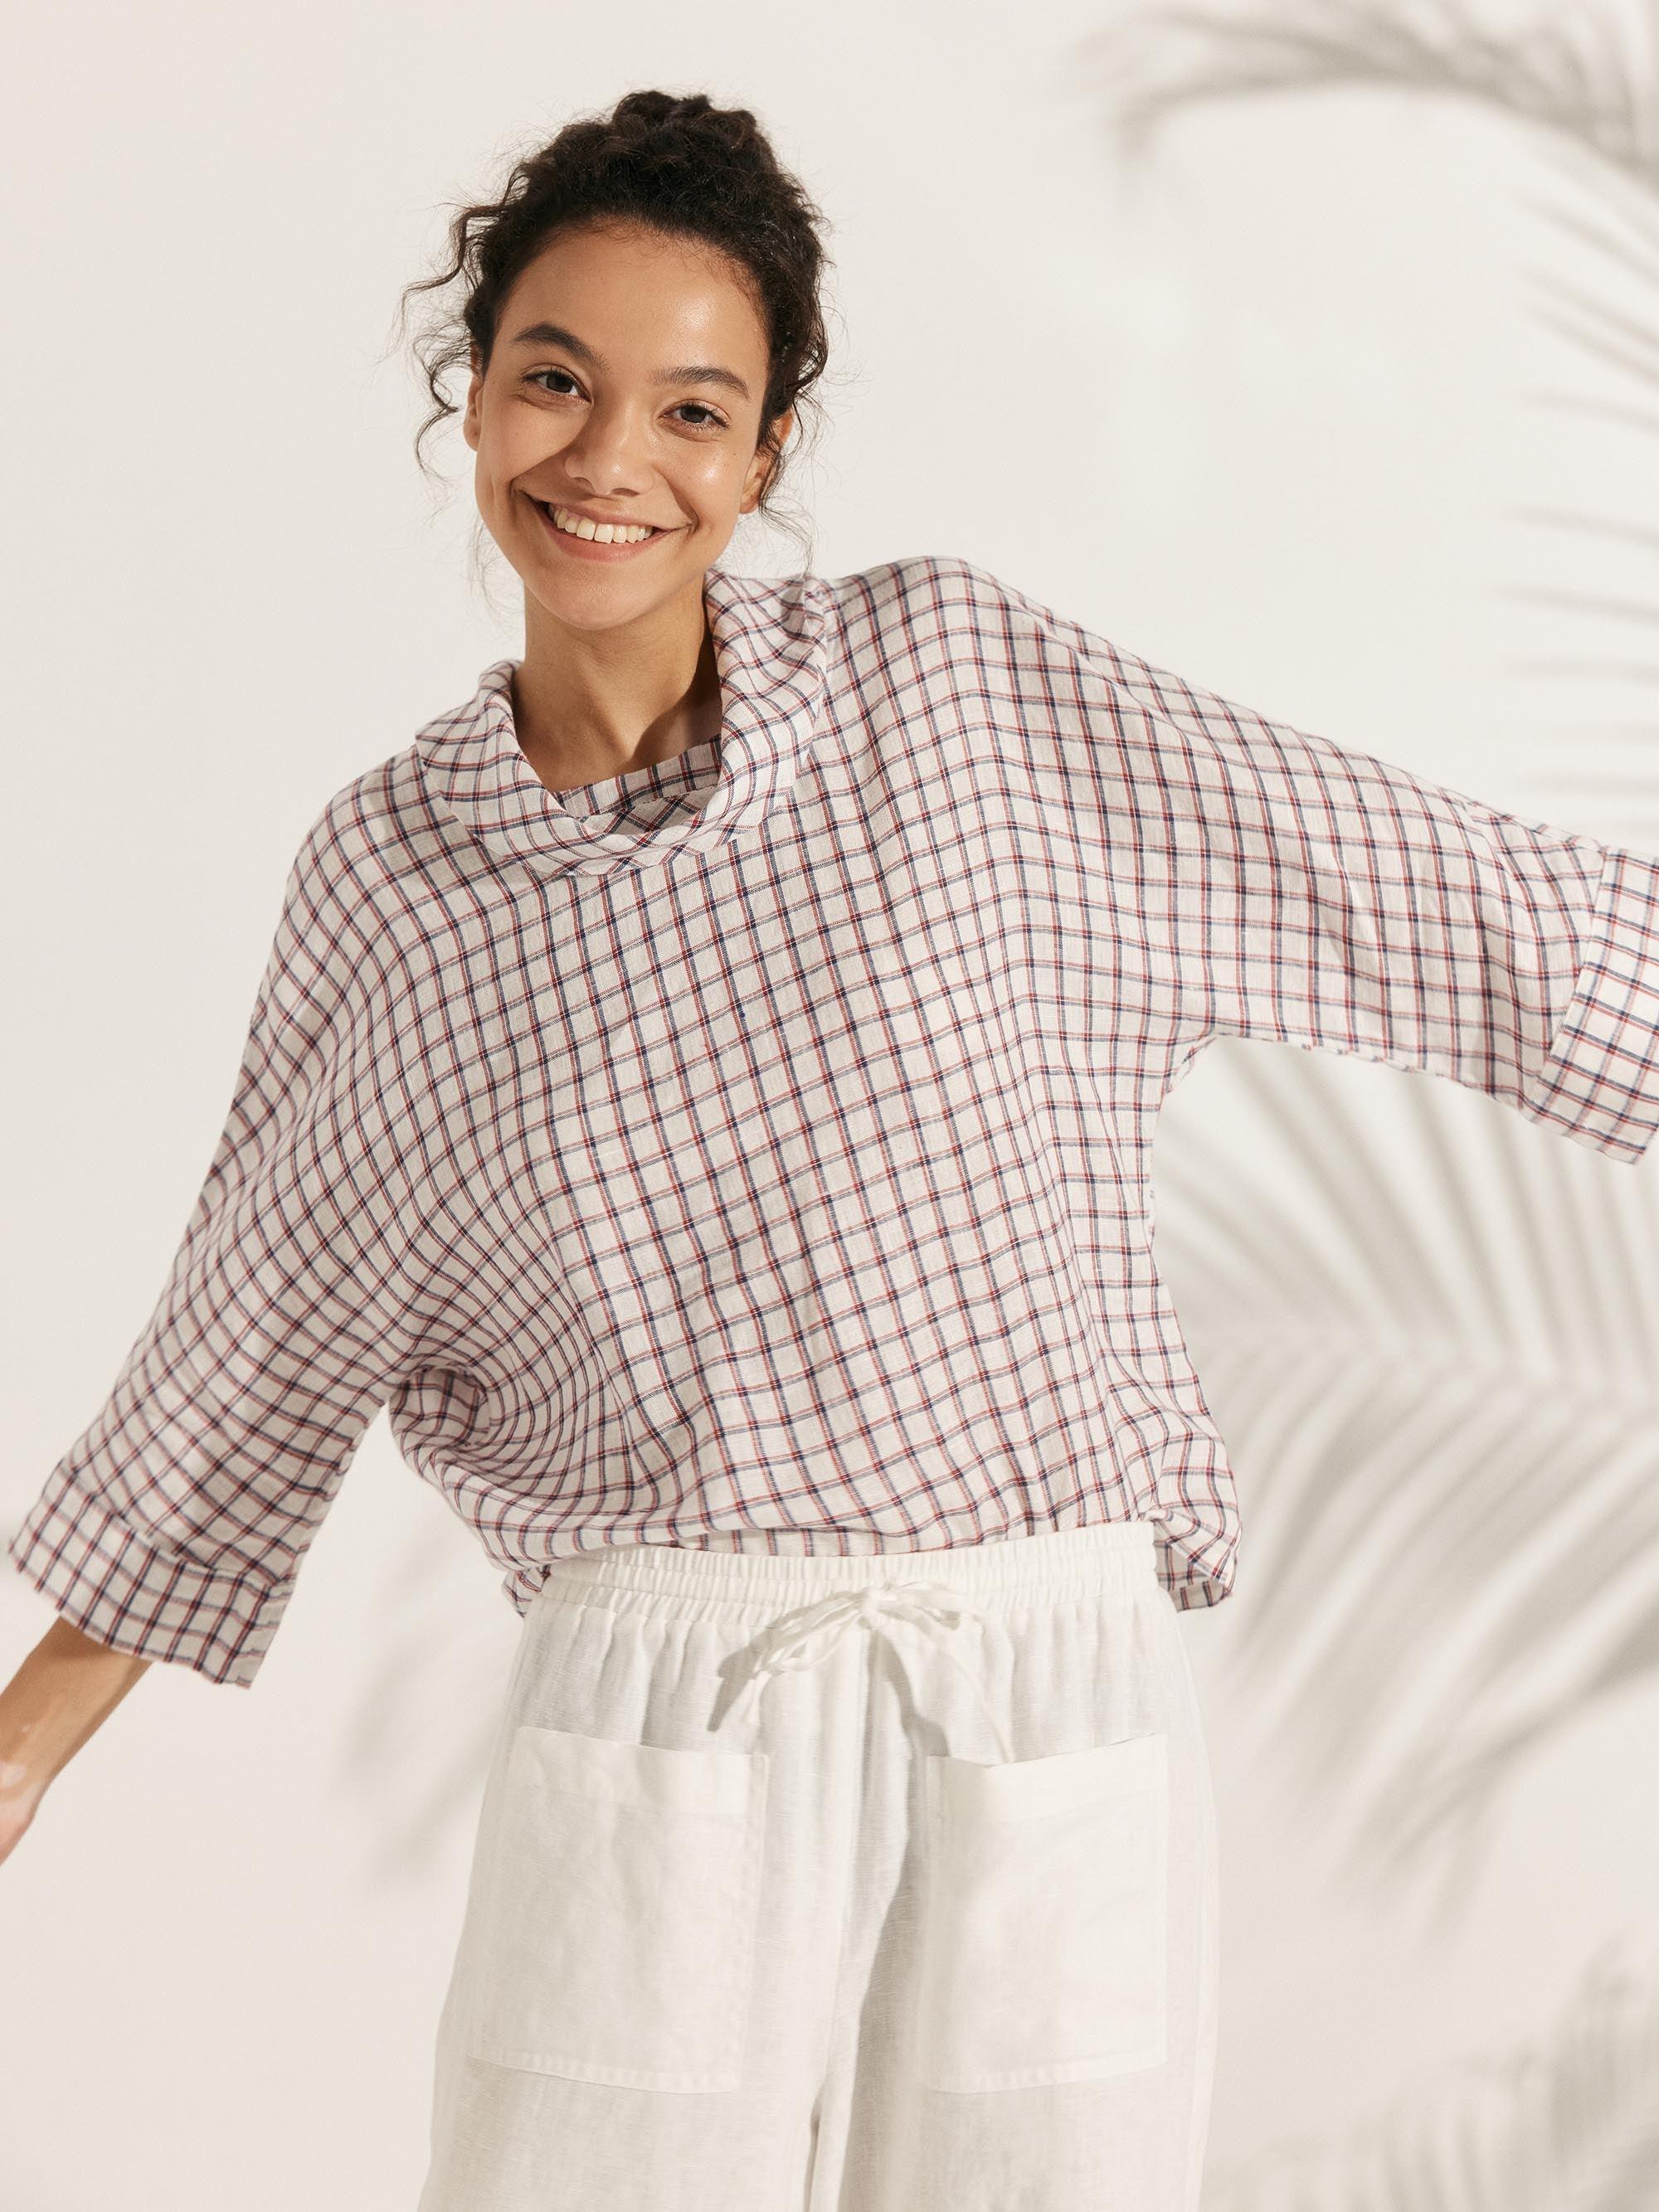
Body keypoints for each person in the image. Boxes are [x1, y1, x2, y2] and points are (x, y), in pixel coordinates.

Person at [4, 84, 1657, 2212]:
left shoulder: (952, 693)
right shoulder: (396, 881)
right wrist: (26, 1738)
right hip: (660, 1711)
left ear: (768, 451)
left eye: (693, 410)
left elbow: (1411, 891)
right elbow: (257, 1330)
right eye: (555, 381)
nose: (611, 459)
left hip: (1046, 1693)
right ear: (472, 395)